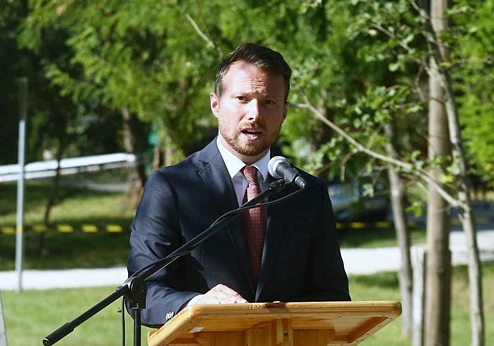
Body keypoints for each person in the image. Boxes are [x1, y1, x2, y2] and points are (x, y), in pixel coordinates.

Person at [127, 42, 350, 326]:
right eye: (242, 99)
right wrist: (195, 305)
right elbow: (141, 294)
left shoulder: (307, 192)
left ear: (284, 112)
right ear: (215, 104)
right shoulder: (171, 187)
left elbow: (333, 297)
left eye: (268, 101)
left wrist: (293, 315)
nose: (255, 114)